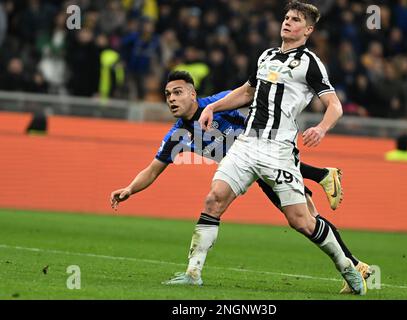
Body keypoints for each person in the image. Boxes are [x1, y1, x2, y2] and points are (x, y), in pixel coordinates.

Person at [162, 1, 368, 294]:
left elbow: (335, 105)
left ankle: (348, 268)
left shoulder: (310, 63)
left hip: (278, 149)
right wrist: (213, 108)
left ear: (308, 30)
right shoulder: (267, 56)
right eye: (286, 17)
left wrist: (321, 128)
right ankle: (193, 272)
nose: (287, 22)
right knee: (214, 199)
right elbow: (247, 92)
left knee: (301, 221)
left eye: (295, 20)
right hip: (246, 144)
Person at [111, 69, 370, 295]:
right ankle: (193, 273)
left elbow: (255, 99)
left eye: (177, 92)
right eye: (168, 95)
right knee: (295, 218)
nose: (171, 99)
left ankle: (350, 259)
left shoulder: (219, 103)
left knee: (306, 219)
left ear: (192, 94)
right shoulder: (177, 134)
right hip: (246, 171)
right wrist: (130, 189)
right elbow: (153, 169)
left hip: (271, 155)